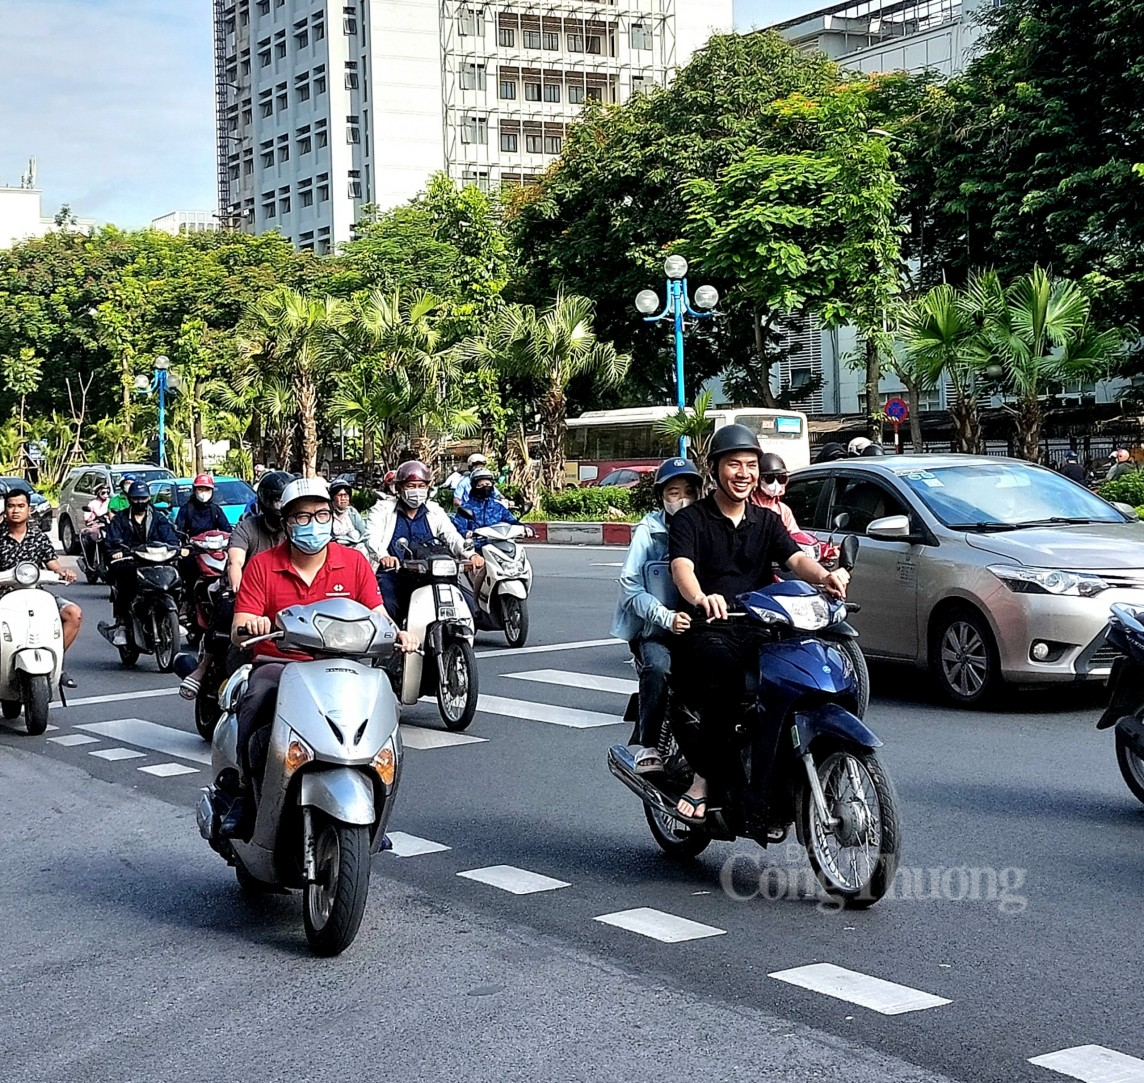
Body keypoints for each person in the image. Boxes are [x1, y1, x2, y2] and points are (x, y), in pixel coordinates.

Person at [668, 425, 848, 824]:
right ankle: (702, 778)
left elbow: (796, 559)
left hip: (760, 626)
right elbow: (682, 568)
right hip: (709, 628)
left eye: (751, 465)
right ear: (715, 469)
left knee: (802, 671)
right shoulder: (691, 520)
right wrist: (701, 597)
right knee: (725, 679)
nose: (744, 473)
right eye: (734, 464)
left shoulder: (766, 520)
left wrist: (826, 577)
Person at [222, 477, 419, 836]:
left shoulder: (354, 562)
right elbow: (239, 629)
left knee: (386, 711)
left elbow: (377, 613)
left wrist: (399, 633)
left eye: (321, 515)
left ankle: (377, 806)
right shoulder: (262, 565)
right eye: (302, 517)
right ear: (286, 522)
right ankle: (245, 794)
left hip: (345, 667)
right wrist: (254, 624)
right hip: (280, 666)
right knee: (256, 701)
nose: (313, 524)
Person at [611, 457, 701, 774]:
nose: (682, 499)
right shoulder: (649, 531)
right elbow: (630, 585)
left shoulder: (706, 525)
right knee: (659, 667)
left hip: (699, 626)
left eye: (689, 491)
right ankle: (648, 744)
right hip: (654, 630)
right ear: (661, 496)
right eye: (674, 493)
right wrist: (665, 617)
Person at [367, 460, 477, 625]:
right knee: (388, 607)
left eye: (421, 485)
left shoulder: (435, 511)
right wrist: (383, 556)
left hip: (430, 574)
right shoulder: (382, 510)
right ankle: (394, 638)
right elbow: (372, 537)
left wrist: (470, 554)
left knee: (466, 605)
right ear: (399, 488)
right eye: (411, 486)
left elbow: (451, 535)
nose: (417, 490)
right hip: (394, 573)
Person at [0, 486, 82, 690]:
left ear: (29, 509)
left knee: (73, 614)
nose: (16, 510)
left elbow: (51, 562)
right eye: (11, 506)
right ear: (5, 509)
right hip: (4, 597)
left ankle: (56, 663)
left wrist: (63, 571)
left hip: (35, 595)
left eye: (21, 506)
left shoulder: (38, 537)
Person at [99, 481, 180, 646]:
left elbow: (171, 539)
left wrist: (177, 548)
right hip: (131, 561)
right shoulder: (120, 519)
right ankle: (122, 623)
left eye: (143, 498)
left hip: (157, 560)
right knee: (124, 579)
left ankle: (176, 618)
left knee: (176, 576)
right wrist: (116, 551)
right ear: (129, 499)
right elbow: (111, 542)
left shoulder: (158, 518)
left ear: (149, 498)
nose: (140, 502)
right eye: (136, 498)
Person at [226, 469, 290, 594]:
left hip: (286, 591)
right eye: (278, 502)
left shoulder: (296, 528)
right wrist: (237, 589)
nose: (283, 507)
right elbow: (235, 562)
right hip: (251, 590)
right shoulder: (246, 528)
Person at [750, 453, 798, 531]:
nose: (776, 483)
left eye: (781, 478)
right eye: (770, 478)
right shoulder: (747, 507)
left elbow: (794, 534)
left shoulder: (784, 510)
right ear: (758, 479)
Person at [329, 479, 372, 557]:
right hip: (336, 550)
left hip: (356, 548)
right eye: (340, 495)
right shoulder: (327, 513)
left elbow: (364, 531)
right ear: (333, 497)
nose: (343, 498)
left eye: (346, 495)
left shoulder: (352, 512)